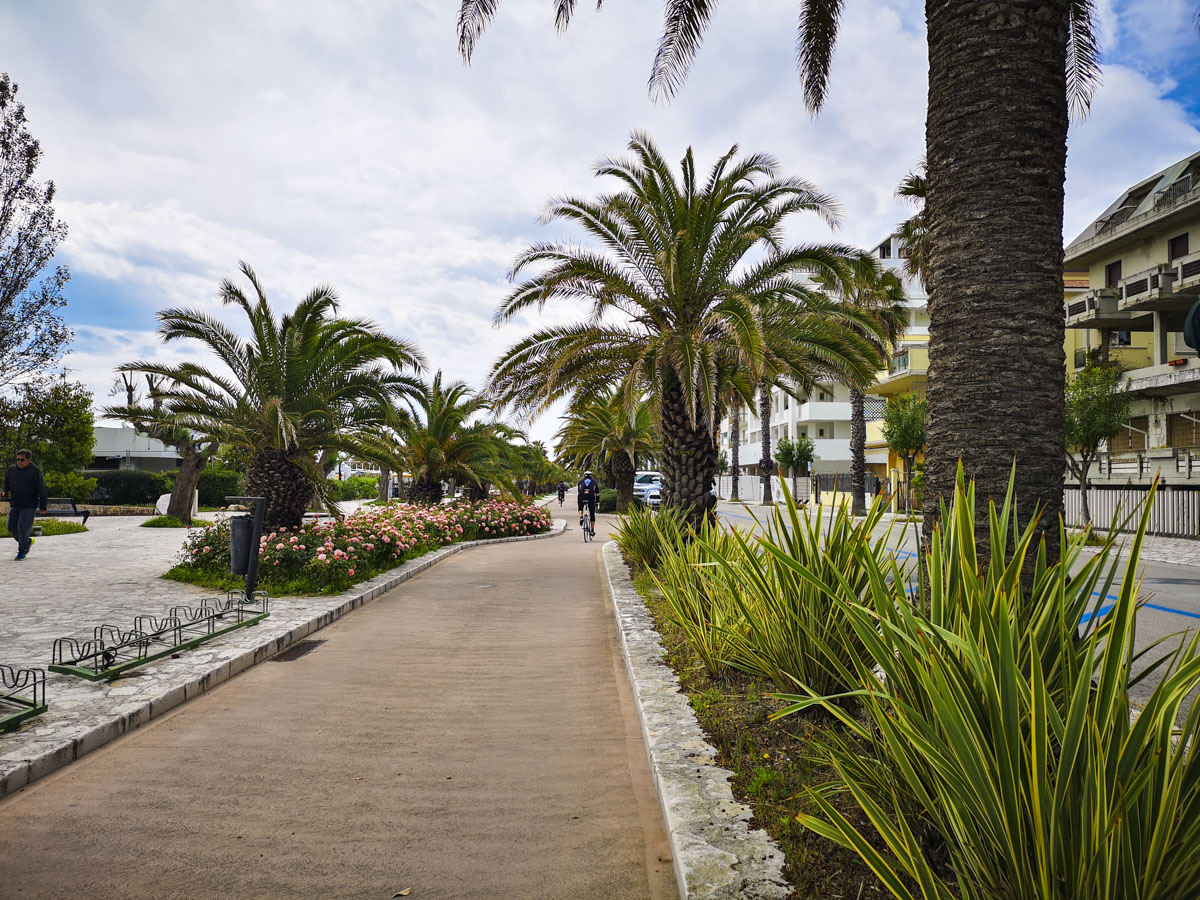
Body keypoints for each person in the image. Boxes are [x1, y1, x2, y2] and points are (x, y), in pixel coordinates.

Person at [2, 449, 48, 561]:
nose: (19, 462)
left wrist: (43, 506)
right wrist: (4, 491)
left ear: (29, 460)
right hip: (15, 504)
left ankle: (22, 551)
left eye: (22, 460)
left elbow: (41, 489)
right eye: (17, 459)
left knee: (23, 529)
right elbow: (6, 483)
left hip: (29, 505)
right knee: (11, 527)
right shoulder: (12, 470)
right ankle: (27, 542)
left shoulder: (35, 471)